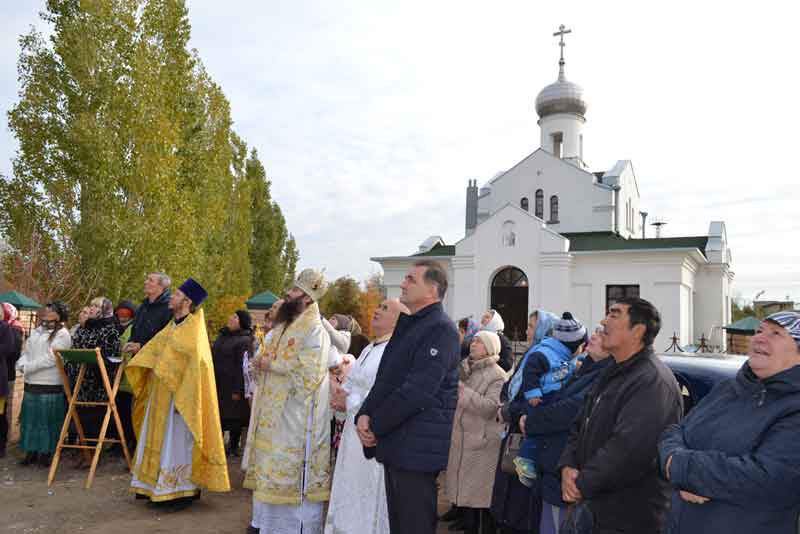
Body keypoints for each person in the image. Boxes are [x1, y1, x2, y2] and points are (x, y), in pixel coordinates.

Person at [659, 311, 800, 534]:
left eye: (776, 333)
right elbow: (676, 430)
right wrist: (677, 464)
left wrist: (685, 470)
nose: (759, 338)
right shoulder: (728, 389)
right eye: (759, 331)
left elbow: (766, 478)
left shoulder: (793, 407)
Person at [558, 297, 682, 534]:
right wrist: (567, 466)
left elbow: (628, 450)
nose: (604, 321)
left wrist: (580, 484)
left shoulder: (652, 381)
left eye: (614, 314)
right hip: (593, 510)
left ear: (638, 331)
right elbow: (579, 426)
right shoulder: (612, 372)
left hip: (628, 518)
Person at [356, 260, 460, 534]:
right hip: (398, 444)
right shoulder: (411, 326)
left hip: (417, 449)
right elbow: (385, 381)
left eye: (411, 279)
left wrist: (375, 426)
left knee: (414, 526)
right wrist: (364, 414)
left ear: (432, 289)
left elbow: (417, 392)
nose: (402, 284)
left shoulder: (441, 330)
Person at [127, 278, 230, 508]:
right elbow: (155, 352)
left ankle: (179, 491)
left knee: (177, 442)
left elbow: (197, 365)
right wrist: (141, 354)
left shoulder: (194, 329)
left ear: (187, 301)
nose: (171, 297)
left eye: (176, 294)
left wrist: (174, 378)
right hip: (160, 394)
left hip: (181, 398)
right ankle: (153, 486)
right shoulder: (173, 326)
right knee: (158, 440)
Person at [244, 268, 332, 534]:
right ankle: (267, 526)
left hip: (296, 416)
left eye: (294, 291)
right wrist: (260, 362)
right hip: (274, 413)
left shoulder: (315, 330)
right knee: (269, 471)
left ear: (306, 298)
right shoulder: (286, 325)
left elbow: (310, 374)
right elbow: (266, 354)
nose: (288, 294)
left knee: (290, 476)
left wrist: (271, 364)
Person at [324, 298, 409, 534]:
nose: (376, 311)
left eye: (384, 308)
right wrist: (341, 395)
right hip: (352, 432)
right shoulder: (370, 348)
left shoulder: (396, 352)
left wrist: (348, 401)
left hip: (372, 434)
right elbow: (353, 382)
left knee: (369, 492)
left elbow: (386, 394)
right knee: (350, 486)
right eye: (378, 305)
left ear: (399, 320)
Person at [519, 327, 613, 534]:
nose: (593, 336)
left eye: (601, 333)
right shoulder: (582, 368)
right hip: (554, 469)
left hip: (567, 472)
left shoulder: (604, 376)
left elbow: (569, 411)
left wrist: (531, 422)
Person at [490, 310, 557, 534]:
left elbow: (538, 401)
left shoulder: (545, 358)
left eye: (531, 326)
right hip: (514, 433)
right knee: (509, 498)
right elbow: (511, 387)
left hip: (528, 437)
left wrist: (510, 410)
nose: (527, 331)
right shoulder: (532, 353)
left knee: (520, 502)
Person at [513, 312, 586, 487]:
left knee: (539, 432)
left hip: (550, 396)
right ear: (573, 344)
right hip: (541, 398)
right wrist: (533, 393)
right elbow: (530, 372)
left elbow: (562, 370)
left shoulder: (562, 355)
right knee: (533, 433)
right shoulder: (545, 353)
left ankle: (529, 460)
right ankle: (524, 459)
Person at [445, 330, 507, 534]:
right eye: (473, 341)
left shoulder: (497, 374)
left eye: (479, 342)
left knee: (479, 496)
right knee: (464, 491)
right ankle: (466, 524)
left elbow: (491, 407)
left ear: (490, 347)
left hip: (481, 442)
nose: (473, 344)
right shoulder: (466, 369)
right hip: (462, 438)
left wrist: (463, 391)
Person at [15, 302, 71, 466]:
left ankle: (45, 453)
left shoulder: (62, 334)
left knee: (47, 421)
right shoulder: (37, 330)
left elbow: (52, 357)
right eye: (46, 309)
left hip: (49, 382)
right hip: (31, 381)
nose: (47, 312)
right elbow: (27, 351)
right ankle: (30, 451)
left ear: (59, 315)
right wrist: (21, 363)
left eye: (51, 310)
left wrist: (28, 367)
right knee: (30, 420)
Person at [68, 296, 121, 450]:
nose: (92, 309)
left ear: (104, 310)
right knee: (81, 416)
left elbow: (112, 355)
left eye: (96, 306)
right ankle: (84, 449)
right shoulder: (83, 328)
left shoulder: (111, 329)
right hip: (80, 380)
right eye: (91, 305)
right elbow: (76, 346)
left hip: (98, 382)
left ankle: (93, 450)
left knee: (94, 417)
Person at [211, 309, 254, 457]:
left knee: (234, 417)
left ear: (242, 321)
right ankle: (217, 444)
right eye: (232, 315)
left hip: (233, 385)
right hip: (218, 383)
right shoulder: (222, 336)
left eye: (235, 317)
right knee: (219, 415)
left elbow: (242, 367)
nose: (231, 318)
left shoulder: (245, 340)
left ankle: (234, 446)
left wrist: (238, 390)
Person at [123, 272, 172, 357]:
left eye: (151, 280)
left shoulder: (169, 308)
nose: (145, 282)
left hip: (154, 361)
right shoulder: (143, 306)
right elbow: (135, 328)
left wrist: (142, 346)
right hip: (136, 359)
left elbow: (165, 338)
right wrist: (130, 342)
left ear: (161, 287)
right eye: (147, 279)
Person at [1, 303, 24, 457]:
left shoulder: (11, 329)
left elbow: (12, 351)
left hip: (5, 375)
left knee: (1, 414)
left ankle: (1, 445)